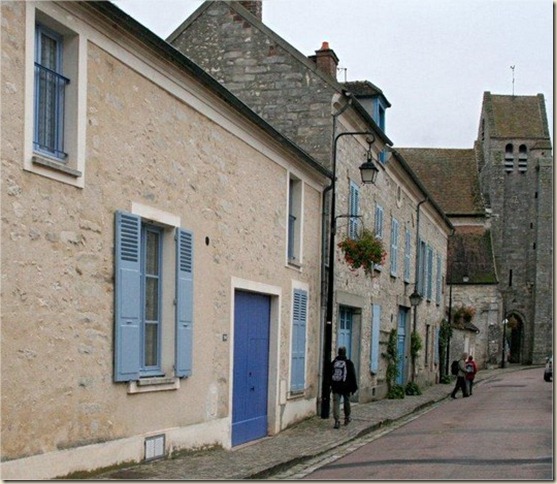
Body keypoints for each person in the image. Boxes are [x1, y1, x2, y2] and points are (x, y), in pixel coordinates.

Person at [330, 346, 358, 429]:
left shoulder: (334, 363)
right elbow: (353, 376)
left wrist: (330, 385)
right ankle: (347, 417)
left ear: (338, 353)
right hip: (346, 387)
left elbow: (329, 375)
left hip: (336, 386)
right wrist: (354, 387)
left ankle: (336, 421)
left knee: (336, 403)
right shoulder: (349, 363)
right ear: (345, 353)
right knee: (346, 402)